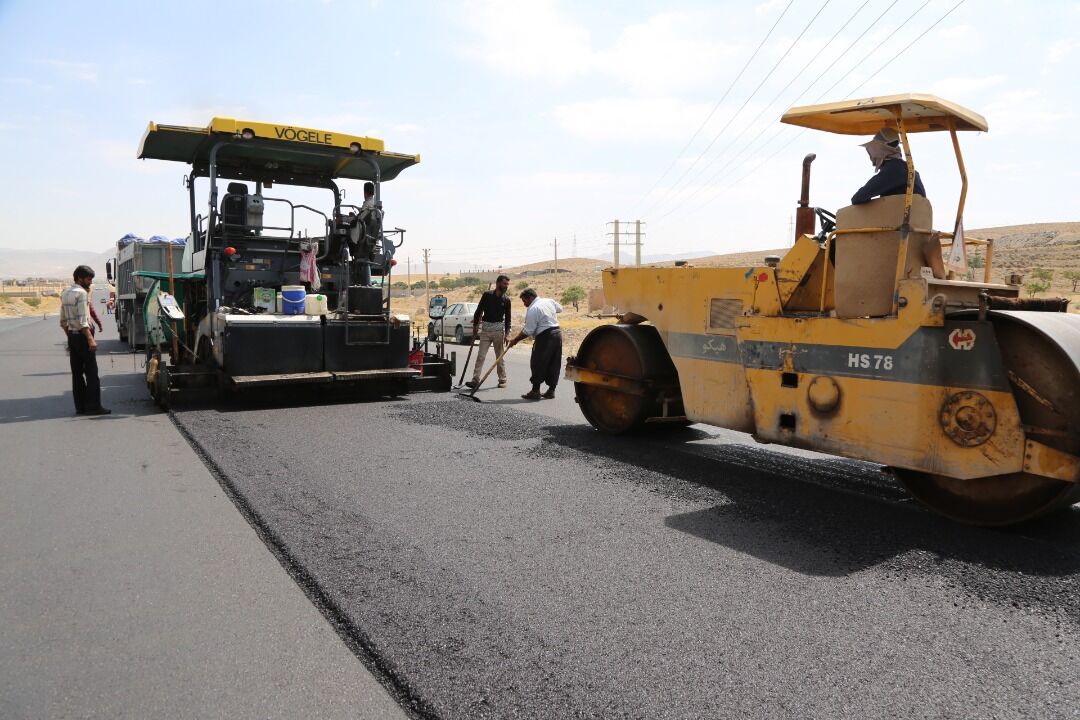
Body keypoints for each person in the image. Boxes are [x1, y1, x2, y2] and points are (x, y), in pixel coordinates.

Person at [60, 265, 110, 415]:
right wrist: (90, 340)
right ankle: (94, 407)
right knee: (91, 373)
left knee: (76, 374)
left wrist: (71, 338)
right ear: (79, 278)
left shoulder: (65, 292)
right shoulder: (81, 293)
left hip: (72, 337)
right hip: (83, 336)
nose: (90, 282)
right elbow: (83, 321)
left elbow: (63, 321)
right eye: (88, 279)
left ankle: (80, 407)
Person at [507, 288, 562, 400]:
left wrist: (515, 340)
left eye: (524, 301)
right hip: (557, 334)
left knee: (538, 362)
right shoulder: (549, 301)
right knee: (554, 362)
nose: (524, 304)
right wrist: (547, 313)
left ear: (530, 298)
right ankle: (551, 391)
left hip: (545, 336)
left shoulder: (533, 309)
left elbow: (528, 331)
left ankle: (535, 391)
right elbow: (560, 309)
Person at [851, 127, 926, 205]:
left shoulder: (893, 170)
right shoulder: (906, 168)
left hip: (899, 217)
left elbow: (858, 197)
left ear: (879, 149)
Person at [466, 275, 512, 389]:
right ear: (498, 283)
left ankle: (502, 379)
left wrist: (507, 334)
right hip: (485, 331)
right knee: (480, 356)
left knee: (499, 356)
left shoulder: (506, 300)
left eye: (507, 284)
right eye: (504, 284)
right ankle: (475, 380)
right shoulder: (487, 295)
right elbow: (479, 311)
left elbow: (508, 319)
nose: (506, 286)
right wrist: (475, 326)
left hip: (498, 331)